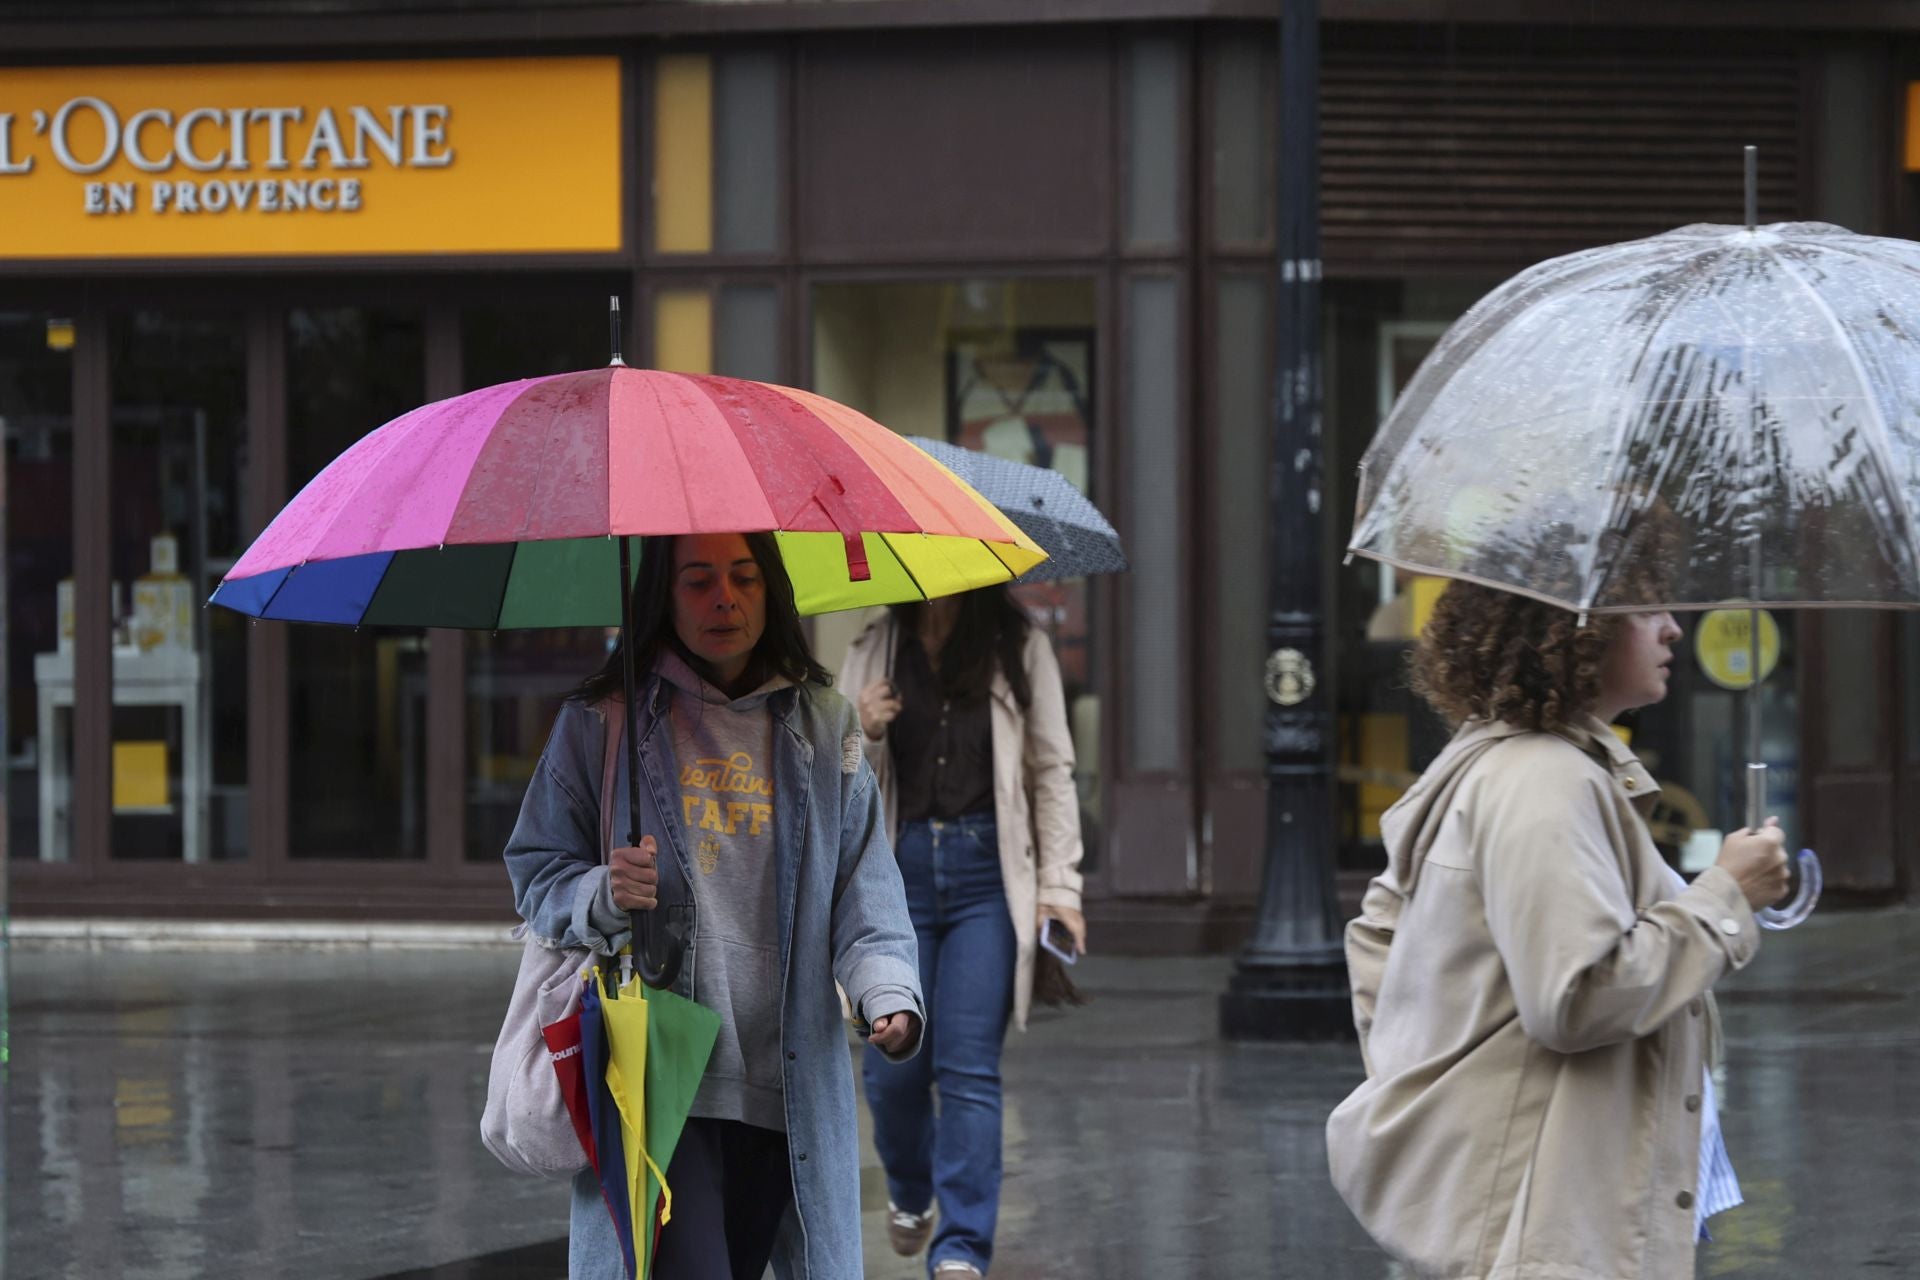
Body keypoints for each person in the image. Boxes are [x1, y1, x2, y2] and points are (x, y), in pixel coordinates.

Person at [1325, 577, 1792, 1279]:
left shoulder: (1510, 761)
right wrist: (1727, 896)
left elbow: (1378, 941)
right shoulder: (1545, 780)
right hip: (1552, 1217)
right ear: (1574, 628)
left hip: (1548, 1197)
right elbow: (1578, 996)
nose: (1673, 628)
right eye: (1645, 609)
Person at [504, 531, 925, 1280]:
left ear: (772, 591)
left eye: (744, 577)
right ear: (663, 596)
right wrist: (603, 892)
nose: (724, 599)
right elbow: (537, 873)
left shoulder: (826, 727)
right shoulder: (604, 720)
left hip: (787, 1088)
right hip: (662, 1079)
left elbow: (866, 892)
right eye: (698, 580)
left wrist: (887, 992)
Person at [838, 585, 1088, 1279]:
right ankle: (911, 1188)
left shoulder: (1021, 647)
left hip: (989, 877)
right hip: (897, 878)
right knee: (892, 1070)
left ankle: (961, 1249)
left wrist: (1059, 888)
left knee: (968, 1067)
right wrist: (863, 729)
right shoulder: (875, 646)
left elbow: (1052, 770)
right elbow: (831, 775)